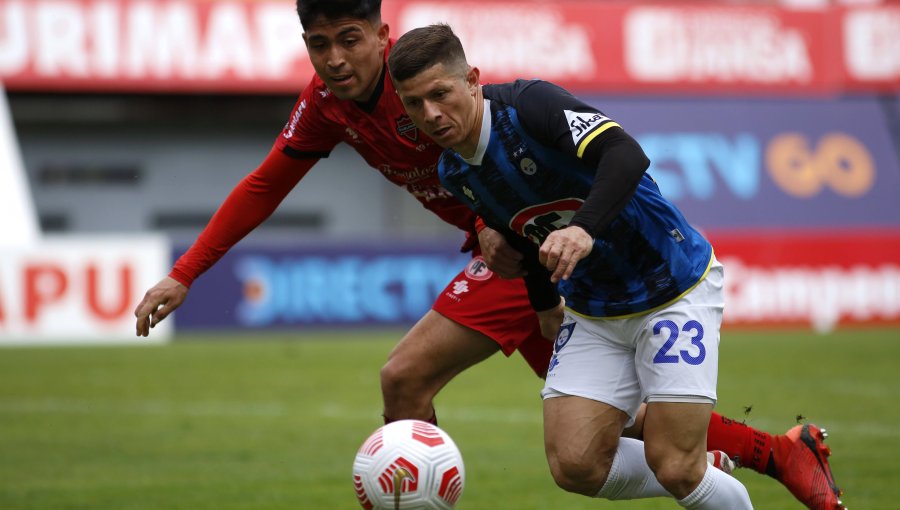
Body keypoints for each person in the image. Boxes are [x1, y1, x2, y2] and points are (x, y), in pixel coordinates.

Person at [132, 2, 843, 508]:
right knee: (598, 436)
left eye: (348, 39)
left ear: (383, 35)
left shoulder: (463, 95)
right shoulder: (327, 104)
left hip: (533, 250)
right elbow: (266, 182)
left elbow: (573, 155)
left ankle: (748, 459)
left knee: (408, 378)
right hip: (508, 252)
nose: (334, 59)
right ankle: (769, 453)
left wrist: (539, 250)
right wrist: (185, 272)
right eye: (318, 44)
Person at [388, 23, 844, 509]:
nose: (431, 114)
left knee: (673, 463)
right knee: (574, 464)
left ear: (472, 79)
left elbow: (626, 154)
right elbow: (526, 231)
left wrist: (584, 227)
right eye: (414, 104)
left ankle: (693, 470)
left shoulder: (529, 106)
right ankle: (702, 469)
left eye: (440, 94)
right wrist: (544, 304)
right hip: (593, 311)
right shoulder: (454, 171)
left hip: (671, 286)